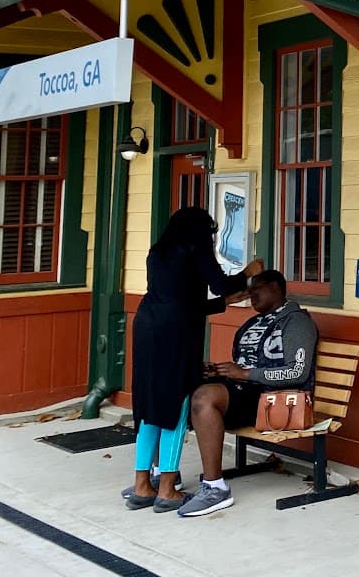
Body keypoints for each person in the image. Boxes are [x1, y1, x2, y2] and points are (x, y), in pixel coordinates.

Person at [124, 207, 261, 512]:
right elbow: (221, 284)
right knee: (176, 403)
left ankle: (142, 484)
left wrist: (221, 304)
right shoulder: (195, 247)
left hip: (147, 326)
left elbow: (180, 299)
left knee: (149, 405)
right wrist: (248, 273)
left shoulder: (157, 252)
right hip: (176, 335)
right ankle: (168, 488)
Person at [179, 269, 318, 517]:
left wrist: (244, 375)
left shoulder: (296, 321)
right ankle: (165, 475)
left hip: (274, 399)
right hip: (246, 393)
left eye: (258, 288)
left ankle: (215, 488)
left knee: (204, 398)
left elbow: (297, 372)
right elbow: (243, 365)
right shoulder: (253, 323)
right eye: (250, 289)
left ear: (276, 289)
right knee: (176, 388)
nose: (251, 294)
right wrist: (220, 372)